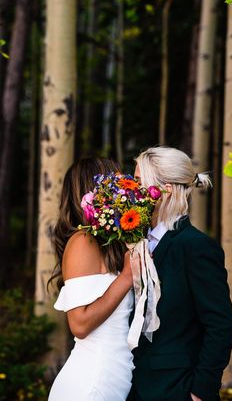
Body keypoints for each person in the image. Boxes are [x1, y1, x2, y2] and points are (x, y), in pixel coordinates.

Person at [128, 146, 232, 401]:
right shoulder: (135, 241)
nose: (131, 190)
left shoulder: (195, 246)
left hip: (177, 387)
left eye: (138, 182)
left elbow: (220, 325)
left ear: (164, 191)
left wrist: (200, 391)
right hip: (133, 384)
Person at [48, 157, 134, 401]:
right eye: (116, 182)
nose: (124, 188)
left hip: (112, 375)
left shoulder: (107, 243)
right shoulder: (82, 242)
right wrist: (126, 278)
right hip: (92, 382)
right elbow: (80, 324)